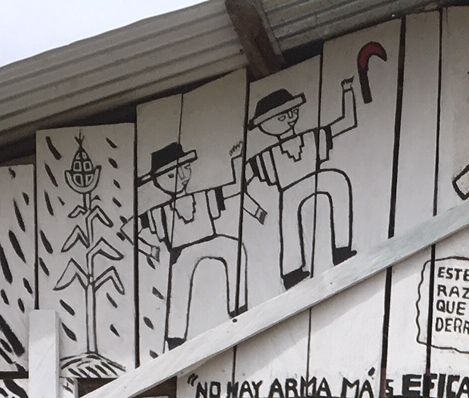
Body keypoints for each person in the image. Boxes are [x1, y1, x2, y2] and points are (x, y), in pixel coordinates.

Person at [243, 83, 359, 289]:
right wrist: (255, 210)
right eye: (281, 117)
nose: (289, 118)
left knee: (338, 180)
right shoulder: (268, 156)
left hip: (316, 177)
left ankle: (342, 248)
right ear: (265, 125)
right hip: (290, 190)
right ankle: (291, 270)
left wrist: (347, 91)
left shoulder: (311, 138)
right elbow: (240, 185)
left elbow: (347, 121)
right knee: (288, 213)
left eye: (292, 112)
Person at [136, 139, 247, 347]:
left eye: (185, 168)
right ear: (157, 181)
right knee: (179, 280)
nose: (181, 177)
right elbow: (130, 229)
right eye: (171, 175)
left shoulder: (202, 196)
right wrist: (148, 249)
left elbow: (234, 189)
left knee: (235, 248)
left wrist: (237, 159)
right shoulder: (159, 211)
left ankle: (238, 307)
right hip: (182, 252)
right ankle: (175, 337)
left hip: (210, 240)